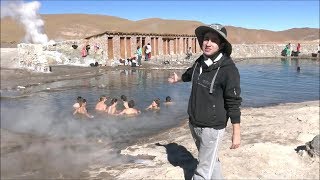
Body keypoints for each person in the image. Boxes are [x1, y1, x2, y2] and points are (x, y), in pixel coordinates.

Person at [168, 23, 242, 179]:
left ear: (221, 45)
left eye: (213, 40)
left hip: (212, 128)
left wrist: (236, 133)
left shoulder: (228, 70)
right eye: (206, 39)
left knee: (202, 171)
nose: (208, 43)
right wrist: (179, 78)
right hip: (194, 124)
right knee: (210, 161)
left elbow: (233, 101)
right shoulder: (200, 61)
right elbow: (191, 73)